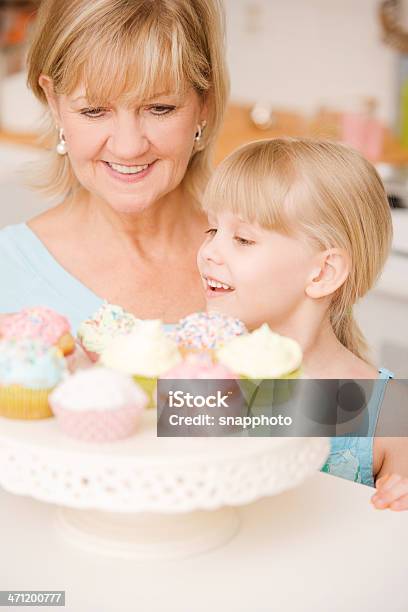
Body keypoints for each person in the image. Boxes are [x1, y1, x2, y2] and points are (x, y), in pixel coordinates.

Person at [197, 137, 408, 511]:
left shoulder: (391, 412)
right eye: (213, 230)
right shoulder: (198, 375)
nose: (209, 252)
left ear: (323, 272)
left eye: (243, 239)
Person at [0, 0, 229, 332]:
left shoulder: (268, 263)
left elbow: (323, 383)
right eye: (94, 111)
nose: (128, 146)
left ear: (204, 103)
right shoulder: (8, 272)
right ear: (54, 103)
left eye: (160, 108)